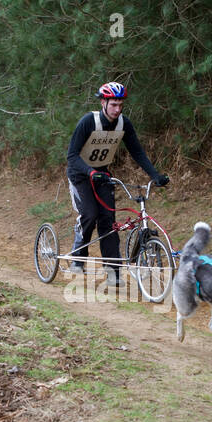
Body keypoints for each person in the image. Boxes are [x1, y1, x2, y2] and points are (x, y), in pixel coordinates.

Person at [64, 81, 169, 284]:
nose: (117, 109)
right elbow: (72, 155)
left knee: (108, 222)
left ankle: (114, 272)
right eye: (113, 104)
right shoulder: (88, 121)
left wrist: (155, 175)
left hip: (102, 175)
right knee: (90, 214)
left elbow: (137, 151)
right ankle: (78, 257)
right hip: (80, 174)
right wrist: (90, 171)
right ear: (103, 102)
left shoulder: (124, 123)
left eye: (120, 105)